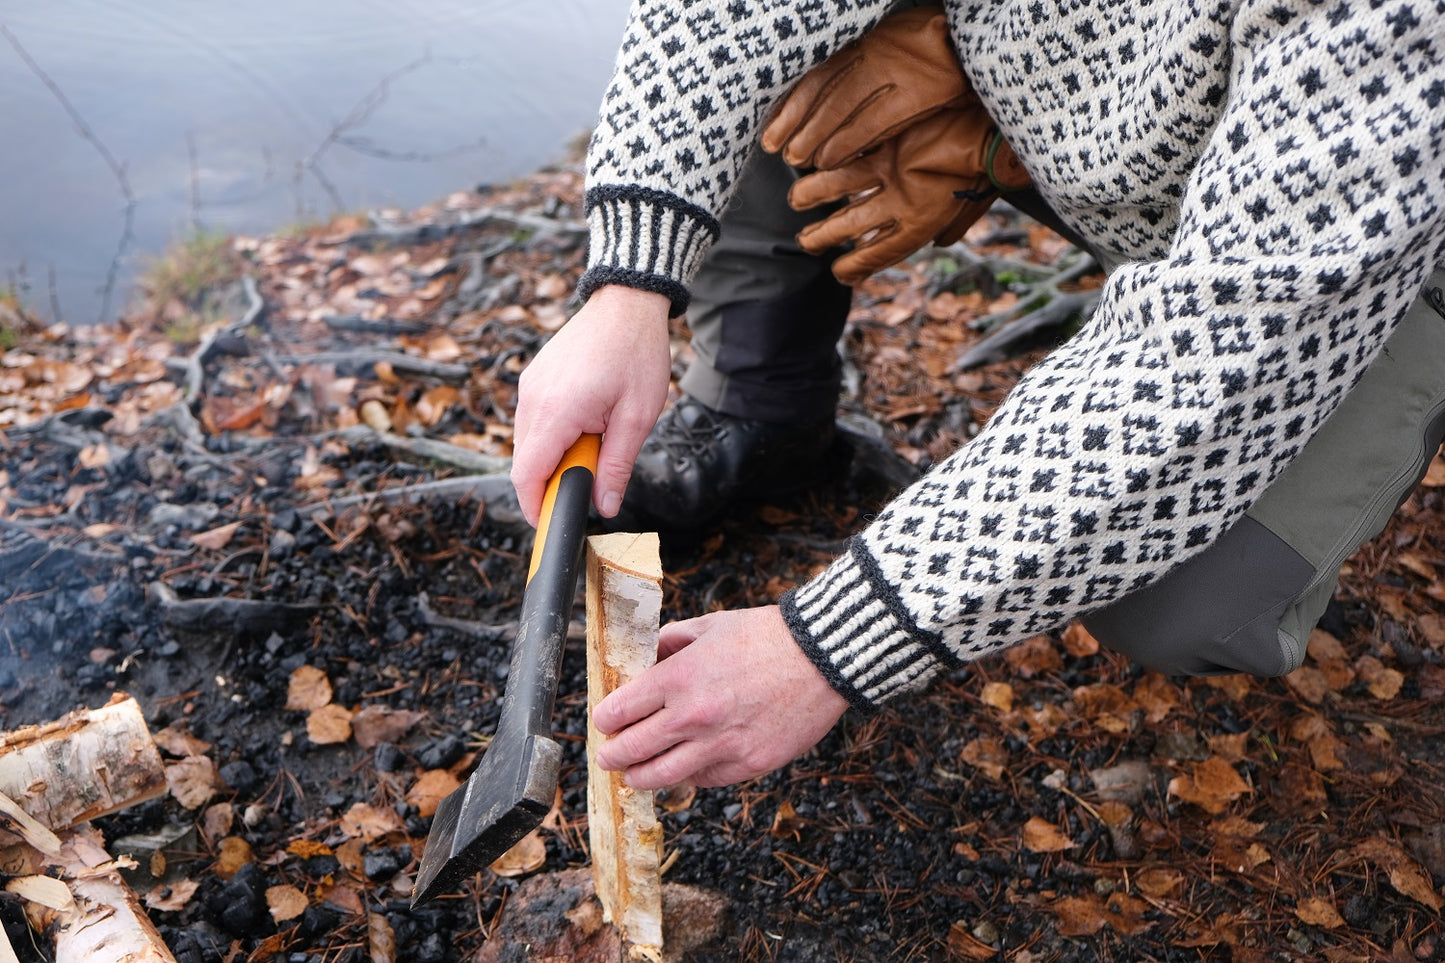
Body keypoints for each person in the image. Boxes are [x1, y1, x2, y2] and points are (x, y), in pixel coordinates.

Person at [511, 0, 1445, 792]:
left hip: (1373, 259)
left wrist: (827, 643)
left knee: (1174, 592)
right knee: (803, 63)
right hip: (1112, 143)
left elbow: (1225, 343)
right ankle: (760, 407)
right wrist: (628, 282)